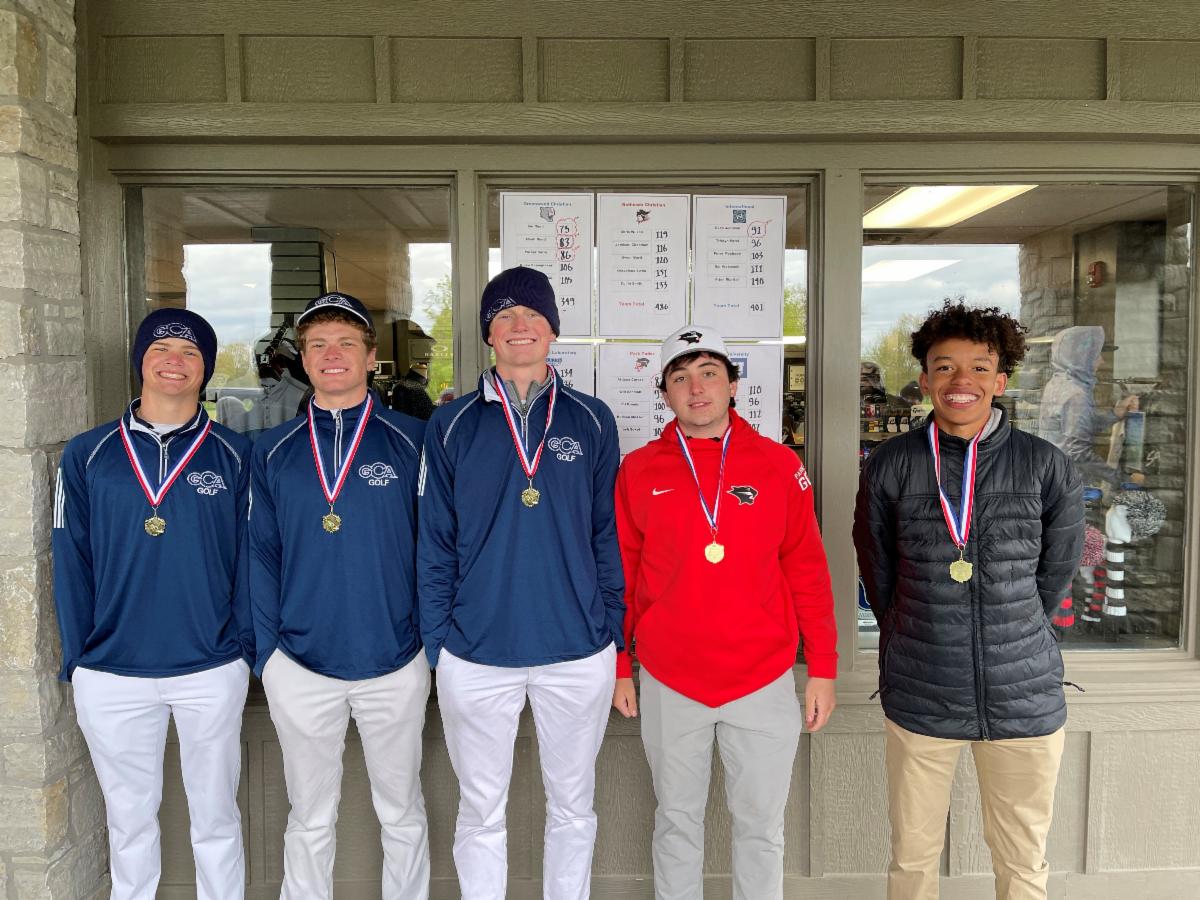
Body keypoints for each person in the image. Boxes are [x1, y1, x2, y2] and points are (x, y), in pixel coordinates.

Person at [853, 300, 1084, 900]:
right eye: (945, 367)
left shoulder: (1044, 465)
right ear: (925, 379)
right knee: (912, 858)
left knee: (1024, 860)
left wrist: (1012, 634)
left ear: (1001, 380)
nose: (962, 382)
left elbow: (1053, 578)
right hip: (923, 688)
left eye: (979, 368)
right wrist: (915, 632)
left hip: (1023, 694)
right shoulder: (892, 464)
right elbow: (879, 575)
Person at [418, 265, 624, 900]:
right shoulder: (451, 424)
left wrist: (609, 631)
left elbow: (604, 535)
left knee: (573, 809)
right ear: (488, 334)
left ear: (553, 331)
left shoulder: (592, 419)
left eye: (532, 316)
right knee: (480, 814)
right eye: (504, 317)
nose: (518, 327)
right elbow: (435, 544)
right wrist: (440, 646)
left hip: (576, 650)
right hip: (477, 654)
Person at [611, 324, 838, 900]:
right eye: (681, 378)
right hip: (669, 676)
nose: (696, 388)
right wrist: (620, 664)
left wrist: (825, 668)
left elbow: (807, 569)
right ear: (665, 393)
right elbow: (623, 579)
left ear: (734, 385)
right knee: (676, 820)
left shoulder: (779, 465)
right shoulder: (639, 470)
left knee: (761, 827)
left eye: (709, 373)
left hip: (762, 677)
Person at [53, 308, 254, 900]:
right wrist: (81, 657)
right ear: (140, 361)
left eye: (190, 353)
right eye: (162, 348)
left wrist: (241, 651)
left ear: (206, 370)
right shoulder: (87, 455)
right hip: (112, 672)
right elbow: (70, 561)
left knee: (216, 819)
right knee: (129, 823)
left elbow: (250, 562)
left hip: (210, 667)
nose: (174, 361)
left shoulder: (236, 455)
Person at [249, 292, 430, 900]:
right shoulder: (269, 450)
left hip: (395, 660)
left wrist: (426, 645)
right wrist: (269, 656)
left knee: (401, 811)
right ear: (302, 359)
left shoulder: (415, 441)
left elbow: (436, 550)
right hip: (300, 665)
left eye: (346, 343)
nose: (332, 355)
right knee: (309, 816)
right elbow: (259, 556)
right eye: (317, 345)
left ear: (371, 357)